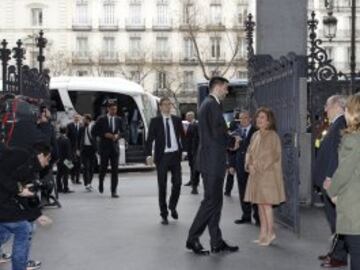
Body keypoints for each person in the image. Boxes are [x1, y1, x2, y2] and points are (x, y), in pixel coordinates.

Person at [186, 77, 240, 255]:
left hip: (212, 161)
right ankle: (192, 238)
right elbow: (218, 131)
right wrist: (232, 142)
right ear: (217, 87)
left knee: (215, 203)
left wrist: (228, 138)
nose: (227, 91)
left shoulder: (208, 104)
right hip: (211, 162)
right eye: (226, 88)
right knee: (210, 202)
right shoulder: (212, 104)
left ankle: (216, 242)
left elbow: (216, 131)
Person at [0, 144, 53, 270]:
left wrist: (37, 215)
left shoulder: (31, 169)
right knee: (23, 228)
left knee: (9, 230)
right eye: (48, 159)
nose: (47, 164)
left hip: (5, 203)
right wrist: (18, 189)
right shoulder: (21, 155)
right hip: (3, 203)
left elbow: (26, 197)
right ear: (40, 155)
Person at [326, 94, 360, 270]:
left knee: (356, 252)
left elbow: (344, 171)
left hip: (355, 204)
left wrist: (332, 191)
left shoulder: (353, 139)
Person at [313, 95, 348, 268]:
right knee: (333, 219)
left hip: (332, 183)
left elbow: (337, 157)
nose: (325, 109)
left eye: (327, 106)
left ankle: (339, 257)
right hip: (328, 182)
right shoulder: (336, 124)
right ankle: (335, 251)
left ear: (336, 105)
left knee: (336, 221)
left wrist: (330, 179)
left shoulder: (341, 124)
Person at [244, 106, 286, 246]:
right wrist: (249, 165)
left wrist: (256, 166)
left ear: (269, 121)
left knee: (266, 205)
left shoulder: (272, 136)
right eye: (258, 117)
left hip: (268, 176)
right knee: (260, 205)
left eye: (262, 117)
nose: (259, 119)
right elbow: (249, 152)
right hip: (256, 175)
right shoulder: (256, 135)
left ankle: (270, 233)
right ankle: (262, 234)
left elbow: (271, 156)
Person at [145, 97, 185, 225]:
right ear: (160, 107)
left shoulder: (177, 120)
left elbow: (183, 137)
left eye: (169, 105)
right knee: (162, 186)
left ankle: (172, 206)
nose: (168, 107)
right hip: (162, 157)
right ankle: (164, 214)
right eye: (165, 105)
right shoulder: (155, 121)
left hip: (175, 156)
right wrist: (147, 155)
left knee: (178, 183)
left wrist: (184, 151)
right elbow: (149, 139)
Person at [234, 110, 259, 226]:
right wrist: (231, 165)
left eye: (245, 118)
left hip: (253, 166)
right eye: (240, 118)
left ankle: (258, 217)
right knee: (243, 191)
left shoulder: (256, 132)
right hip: (240, 165)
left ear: (250, 119)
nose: (242, 120)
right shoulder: (236, 132)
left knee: (254, 191)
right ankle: (246, 216)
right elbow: (231, 151)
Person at [92, 101, 123, 198]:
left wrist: (118, 135)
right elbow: (94, 131)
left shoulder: (119, 119)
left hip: (115, 148)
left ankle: (113, 191)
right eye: (112, 109)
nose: (114, 111)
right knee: (103, 169)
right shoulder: (101, 119)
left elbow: (124, 131)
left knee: (115, 171)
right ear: (108, 109)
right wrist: (104, 134)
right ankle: (101, 182)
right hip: (104, 148)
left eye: (115, 109)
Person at [224, 111, 240, 196]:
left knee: (231, 172)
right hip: (239, 151)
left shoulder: (232, 124)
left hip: (231, 151)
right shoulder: (241, 125)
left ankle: (228, 190)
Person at [80, 114, 97, 192]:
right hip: (84, 149)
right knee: (85, 167)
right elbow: (79, 139)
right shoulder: (82, 128)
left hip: (92, 149)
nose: (83, 121)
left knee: (91, 167)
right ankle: (86, 183)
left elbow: (97, 138)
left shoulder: (93, 127)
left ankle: (89, 183)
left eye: (84, 119)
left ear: (88, 120)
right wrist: (78, 149)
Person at [183, 111, 199, 192]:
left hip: (193, 150)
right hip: (190, 150)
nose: (186, 118)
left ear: (191, 117)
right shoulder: (190, 125)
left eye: (187, 116)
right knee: (191, 166)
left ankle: (194, 183)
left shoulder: (196, 125)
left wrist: (193, 150)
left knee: (194, 167)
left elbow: (195, 139)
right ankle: (192, 180)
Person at [56, 127, 74, 194]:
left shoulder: (57, 139)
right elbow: (68, 151)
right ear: (66, 131)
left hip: (59, 159)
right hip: (66, 159)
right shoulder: (66, 139)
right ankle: (65, 188)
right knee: (66, 174)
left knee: (59, 174)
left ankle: (59, 188)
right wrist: (70, 161)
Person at [67, 114, 82, 185]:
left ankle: (77, 179)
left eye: (78, 118)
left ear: (79, 118)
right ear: (73, 118)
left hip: (79, 148)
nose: (76, 119)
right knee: (71, 163)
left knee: (78, 164)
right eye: (75, 117)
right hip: (71, 148)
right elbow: (67, 137)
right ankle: (72, 177)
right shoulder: (69, 125)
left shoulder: (82, 126)